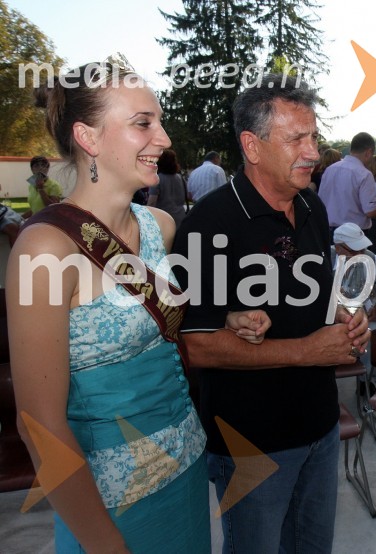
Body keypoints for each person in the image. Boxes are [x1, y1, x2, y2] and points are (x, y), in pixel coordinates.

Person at [8, 55, 268, 553]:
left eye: (160, 121)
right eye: (143, 124)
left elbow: (153, 317)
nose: (165, 138)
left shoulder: (159, 226)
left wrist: (227, 317)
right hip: (106, 504)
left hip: (186, 469)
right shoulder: (45, 250)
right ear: (89, 138)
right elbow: (37, 426)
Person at [171, 72, 370, 554]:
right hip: (251, 444)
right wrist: (307, 350)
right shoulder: (207, 225)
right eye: (296, 138)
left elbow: (318, 302)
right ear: (252, 145)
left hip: (321, 427)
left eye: (315, 136)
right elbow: (196, 346)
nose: (313, 152)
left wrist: (346, 318)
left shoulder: (314, 208)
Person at [318, 131, 376, 233]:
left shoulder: (330, 169)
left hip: (328, 230)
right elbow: (371, 211)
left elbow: (321, 202)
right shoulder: (364, 174)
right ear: (368, 153)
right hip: (353, 235)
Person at [148, 148, 188, 227]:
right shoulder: (180, 178)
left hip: (164, 220)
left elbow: (152, 202)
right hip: (180, 218)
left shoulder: (156, 179)